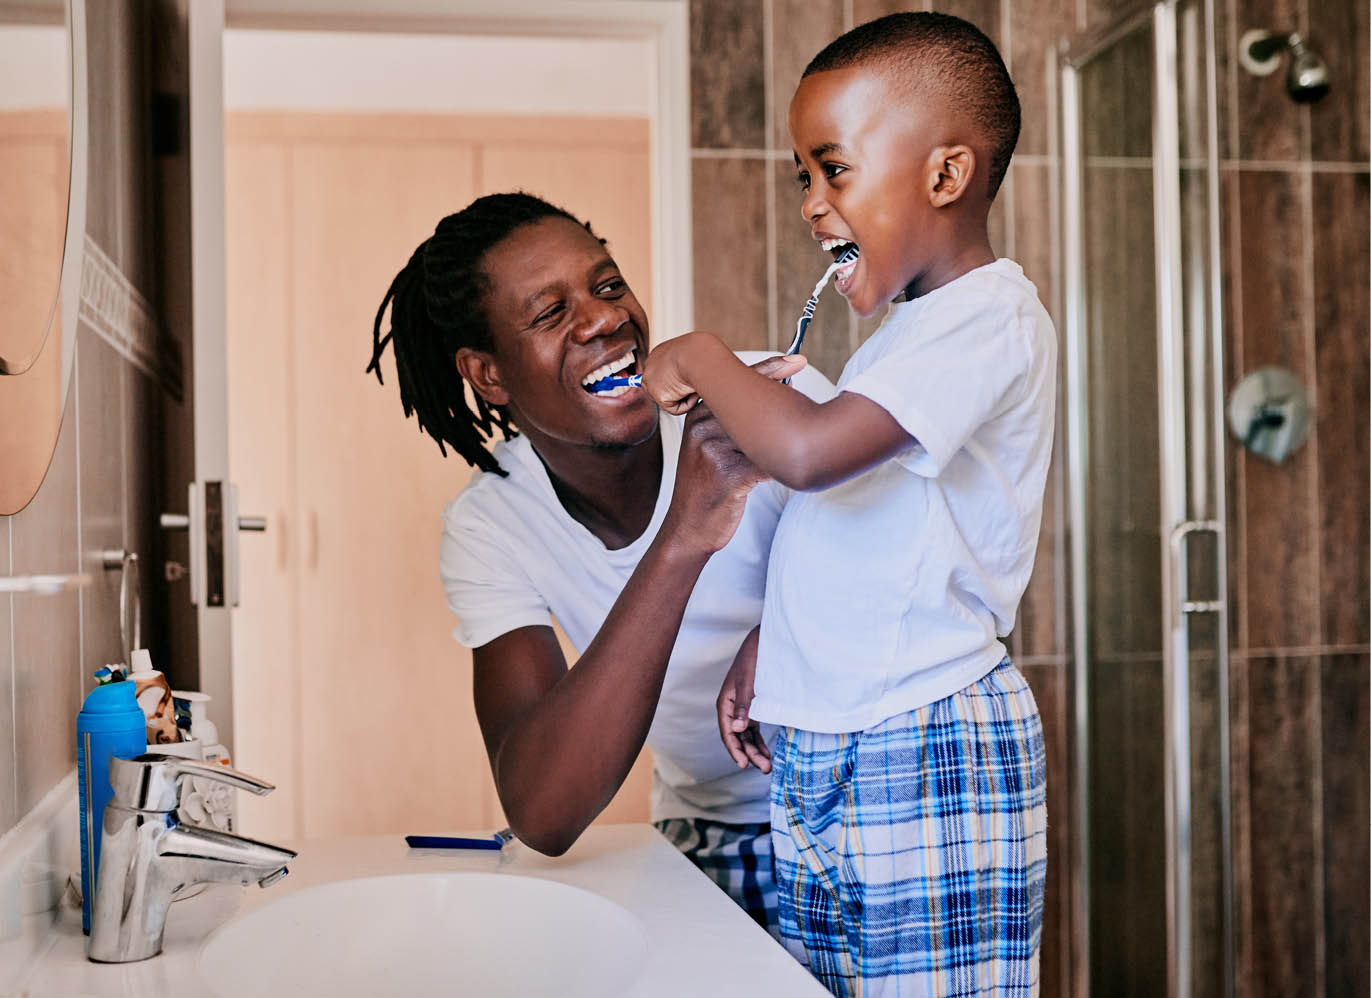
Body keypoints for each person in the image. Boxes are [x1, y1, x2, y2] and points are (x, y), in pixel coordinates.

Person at [641, 12, 1053, 996]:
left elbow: (812, 459)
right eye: (803, 177)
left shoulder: (991, 316)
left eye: (834, 169)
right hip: (835, 738)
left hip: (925, 738)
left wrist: (700, 355)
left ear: (946, 175)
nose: (812, 204)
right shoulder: (905, 338)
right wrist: (771, 652)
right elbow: (861, 524)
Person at [366, 191, 833, 934]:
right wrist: (685, 533)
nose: (604, 318)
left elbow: (915, 560)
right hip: (707, 831)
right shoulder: (493, 523)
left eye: (607, 285)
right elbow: (543, 811)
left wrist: (779, 631)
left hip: (864, 805)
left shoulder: (754, 394)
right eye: (550, 313)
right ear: (487, 375)